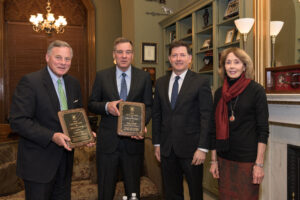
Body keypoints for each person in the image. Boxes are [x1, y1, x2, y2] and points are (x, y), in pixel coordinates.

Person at [9, 40, 89, 200]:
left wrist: (85, 134)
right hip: (38, 166)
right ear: (47, 57)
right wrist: (52, 136)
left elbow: (76, 117)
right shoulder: (31, 82)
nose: (63, 63)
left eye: (67, 59)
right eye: (58, 57)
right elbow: (18, 121)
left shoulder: (74, 83)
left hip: (65, 164)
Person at [88, 37, 153, 199]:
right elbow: (92, 104)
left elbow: (149, 106)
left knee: (132, 191)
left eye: (128, 52)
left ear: (133, 55)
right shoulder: (102, 76)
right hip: (108, 143)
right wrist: (107, 107)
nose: (124, 56)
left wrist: (142, 124)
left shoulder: (143, 77)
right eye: (120, 52)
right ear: (114, 54)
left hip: (133, 142)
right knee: (105, 190)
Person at [152, 40, 213, 200]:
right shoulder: (160, 83)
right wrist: (157, 143)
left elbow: (206, 116)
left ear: (190, 58)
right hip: (167, 149)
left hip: (192, 150)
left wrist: (202, 148)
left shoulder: (201, 82)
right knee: (171, 193)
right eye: (175, 55)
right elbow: (157, 115)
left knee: (195, 192)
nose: (178, 58)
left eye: (182, 55)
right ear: (170, 59)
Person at [209, 47, 269, 200]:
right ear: (223, 67)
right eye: (228, 62)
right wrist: (214, 161)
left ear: (244, 66)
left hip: (247, 161)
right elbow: (213, 130)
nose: (231, 66)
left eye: (236, 62)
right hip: (224, 159)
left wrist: (259, 164)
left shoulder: (257, 90)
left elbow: (263, 130)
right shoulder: (218, 93)